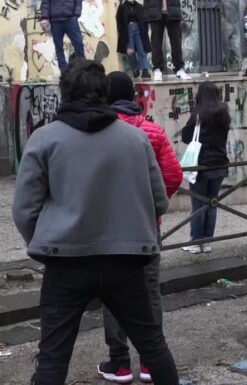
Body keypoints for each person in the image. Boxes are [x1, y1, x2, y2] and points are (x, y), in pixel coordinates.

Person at [13, 60, 179, 385]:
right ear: (105, 94)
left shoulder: (45, 139)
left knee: (52, 356)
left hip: (65, 262)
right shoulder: (135, 139)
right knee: (153, 345)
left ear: (64, 94)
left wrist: (47, 241)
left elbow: (24, 210)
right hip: (126, 261)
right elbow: (159, 201)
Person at [99, 71, 182, 383]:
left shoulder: (101, 132)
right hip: (147, 227)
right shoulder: (153, 132)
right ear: (134, 96)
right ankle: (150, 363)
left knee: (111, 293)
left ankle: (119, 364)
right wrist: (152, 208)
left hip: (109, 228)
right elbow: (172, 177)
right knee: (149, 291)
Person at [180, 81, 232, 254]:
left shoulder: (198, 114)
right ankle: (207, 241)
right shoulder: (224, 112)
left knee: (198, 204)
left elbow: (186, 137)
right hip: (220, 163)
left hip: (201, 165)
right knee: (212, 203)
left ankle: (195, 241)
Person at [39, 0, 85, 72]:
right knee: (59, 48)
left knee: (79, 45)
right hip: (56, 21)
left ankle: (82, 70)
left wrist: (76, 15)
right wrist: (45, 17)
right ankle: (64, 72)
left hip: (71, 20)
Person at [116, 0, 152, 79]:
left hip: (139, 30)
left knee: (142, 50)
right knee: (130, 51)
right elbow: (119, 21)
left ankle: (145, 70)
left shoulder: (140, 7)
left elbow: (144, 20)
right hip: (127, 31)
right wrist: (122, 33)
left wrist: (145, 30)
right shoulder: (122, 7)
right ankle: (135, 68)